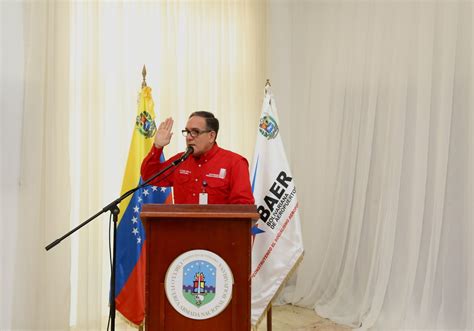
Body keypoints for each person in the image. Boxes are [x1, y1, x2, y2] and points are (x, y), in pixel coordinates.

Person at [141, 111, 255, 205]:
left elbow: (243, 207)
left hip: (218, 231)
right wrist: (157, 146)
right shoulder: (180, 161)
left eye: (195, 132)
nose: (189, 137)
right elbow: (149, 175)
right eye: (187, 132)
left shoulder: (235, 163)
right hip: (182, 230)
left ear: (211, 136)